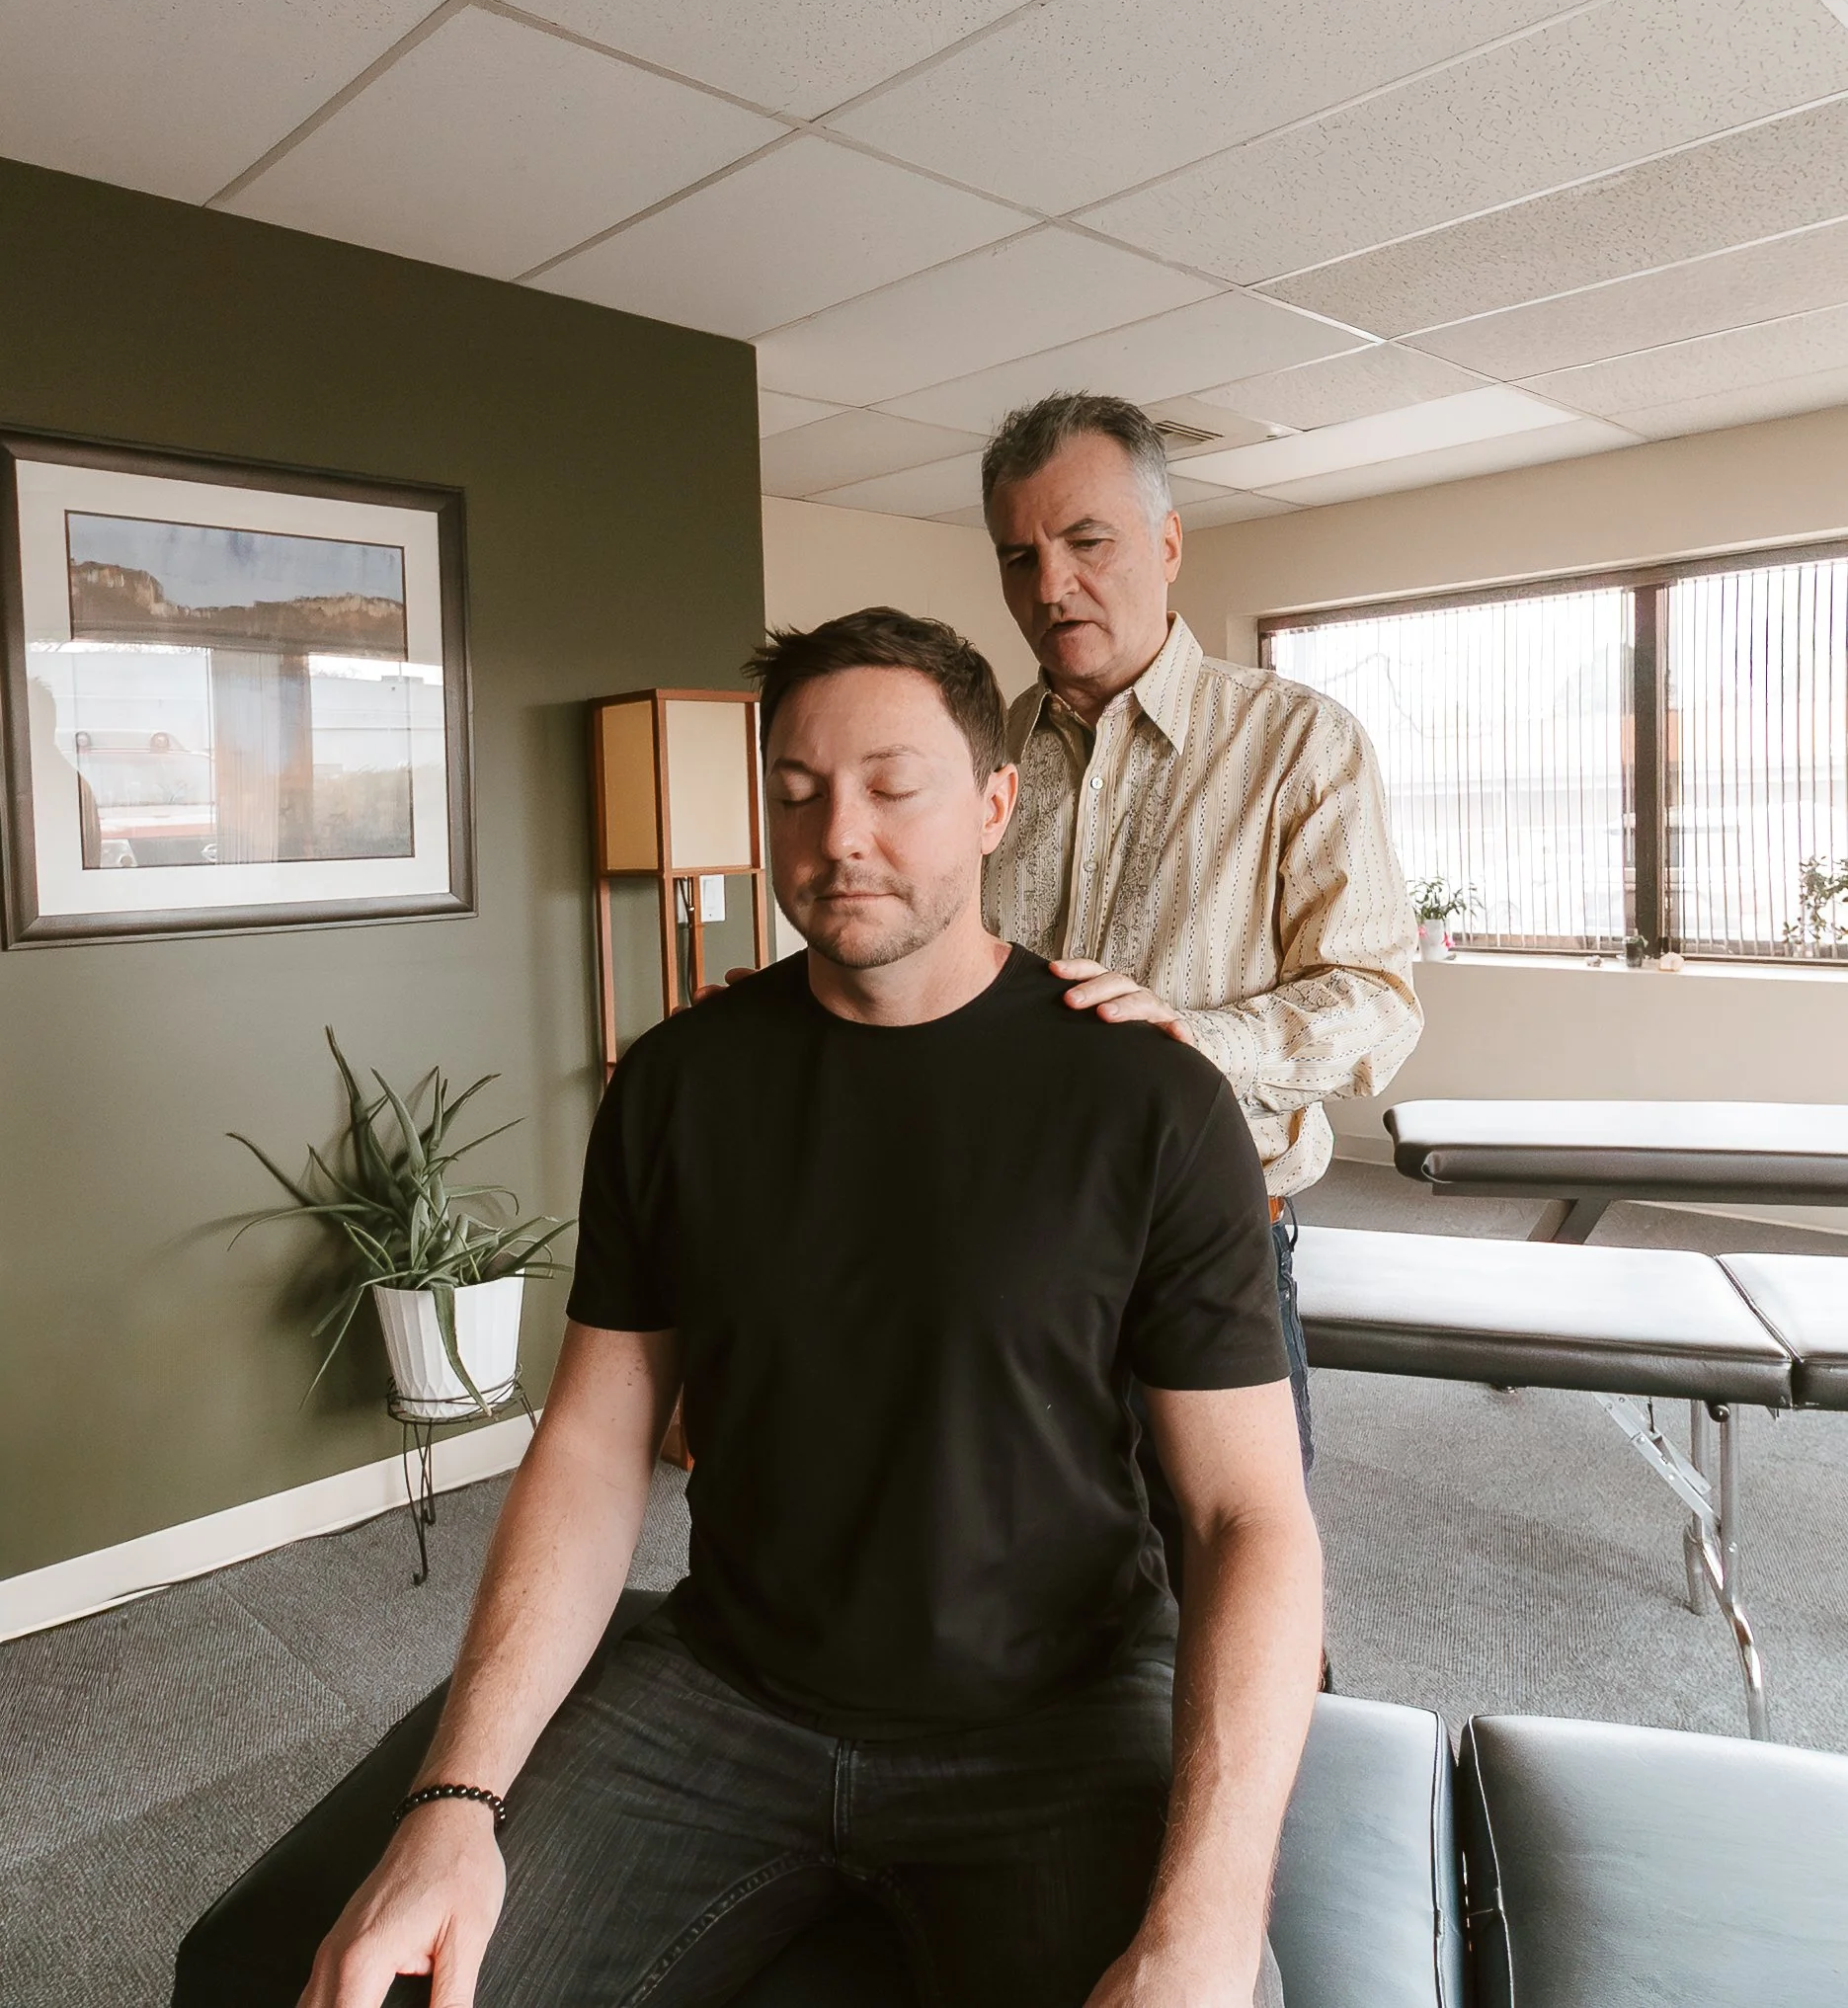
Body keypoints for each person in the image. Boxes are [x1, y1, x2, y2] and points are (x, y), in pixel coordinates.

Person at [302, 607, 1321, 2008]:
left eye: (892, 787)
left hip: (1050, 1722)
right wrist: (454, 1798)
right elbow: (595, 1447)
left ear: (991, 803)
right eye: (794, 790)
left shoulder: (1146, 1100)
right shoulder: (674, 1085)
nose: (837, 831)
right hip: (724, 1698)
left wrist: (1202, 1925)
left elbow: (1245, 1517)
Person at [981, 393, 1421, 1494]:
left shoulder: (1297, 742)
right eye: (1017, 554)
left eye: (1087, 543)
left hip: (1202, 1249)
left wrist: (1190, 1037)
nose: (1048, 586)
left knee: (1232, 1587)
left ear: (1167, 543)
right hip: (994, 1249)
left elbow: (1374, 1002)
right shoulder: (973, 757)